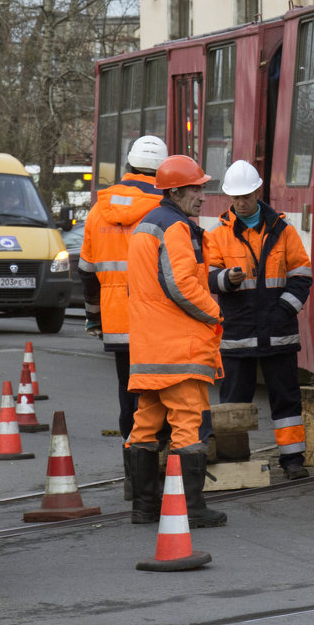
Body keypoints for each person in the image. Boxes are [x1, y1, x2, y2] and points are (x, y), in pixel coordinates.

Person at [125, 154, 227, 528]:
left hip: (149, 349)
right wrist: (214, 313)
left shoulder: (144, 226)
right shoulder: (175, 227)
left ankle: (144, 507)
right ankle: (193, 508)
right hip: (179, 349)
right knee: (189, 424)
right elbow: (181, 285)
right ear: (178, 191)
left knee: (145, 425)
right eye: (197, 189)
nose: (202, 196)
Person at [206, 160, 314, 480]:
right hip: (238, 334)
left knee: (286, 399)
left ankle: (293, 461)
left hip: (278, 333)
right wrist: (228, 279)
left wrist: (284, 310)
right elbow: (207, 277)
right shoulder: (219, 234)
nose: (241, 203)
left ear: (257, 191)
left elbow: (302, 276)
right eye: (235, 198)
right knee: (233, 403)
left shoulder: (284, 231)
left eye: (246, 196)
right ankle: (230, 462)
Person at [78, 135, 167, 492]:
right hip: (156, 324)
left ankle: (133, 478)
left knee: (127, 397)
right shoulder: (164, 208)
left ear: (128, 166)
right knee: (160, 397)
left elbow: (86, 271)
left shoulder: (100, 209)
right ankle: (157, 474)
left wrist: (95, 317)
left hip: (117, 325)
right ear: (161, 171)